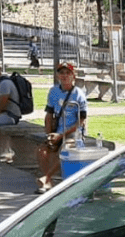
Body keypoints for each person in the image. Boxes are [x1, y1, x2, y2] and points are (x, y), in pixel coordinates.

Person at [36, 62, 88, 193]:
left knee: (66, 149)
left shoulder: (79, 94)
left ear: (73, 76)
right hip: (57, 130)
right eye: (61, 73)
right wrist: (49, 134)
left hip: (73, 132)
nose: (64, 76)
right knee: (42, 151)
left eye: (68, 73)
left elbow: (81, 121)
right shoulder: (53, 91)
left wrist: (61, 135)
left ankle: (47, 177)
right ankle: (49, 182)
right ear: (57, 75)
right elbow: (49, 115)